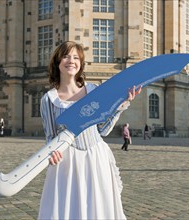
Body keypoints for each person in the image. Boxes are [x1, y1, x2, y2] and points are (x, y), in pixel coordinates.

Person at [38, 41, 141, 219]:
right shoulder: (49, 99)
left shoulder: (93, 90)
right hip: (67, 163)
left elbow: (103, 130)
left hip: (95, 157)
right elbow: (51, 137)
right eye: (66, 56)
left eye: (76, 57)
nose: (71, 61)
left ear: (81, 64)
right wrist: (52, 153)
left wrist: (121, 105)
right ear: (57, 62)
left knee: (98, 208)